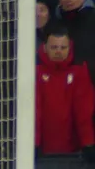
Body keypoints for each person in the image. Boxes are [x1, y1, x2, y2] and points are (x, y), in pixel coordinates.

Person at [34, 29, 95, 157]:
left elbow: (84, 111)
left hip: (73, 152)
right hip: (40, 150)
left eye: (63, 47)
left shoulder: (79, 71)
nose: (58, 51)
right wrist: (33, 143)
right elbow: (34, 110)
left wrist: (88, 143)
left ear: (69, 48)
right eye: (54, 47)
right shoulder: (34, 71)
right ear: (45, 48)